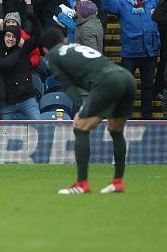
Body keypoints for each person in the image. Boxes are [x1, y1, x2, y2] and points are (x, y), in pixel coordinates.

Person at [41, 28, 135, 194]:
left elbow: (68, 85)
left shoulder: (52, 56)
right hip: (126, 77)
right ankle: (117, 182)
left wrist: (79, 108)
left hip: (106, 82)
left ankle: (82, 184)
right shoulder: (74, 47)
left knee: (80, 128)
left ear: (45, 50)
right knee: (116, 130)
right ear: (64, 41)